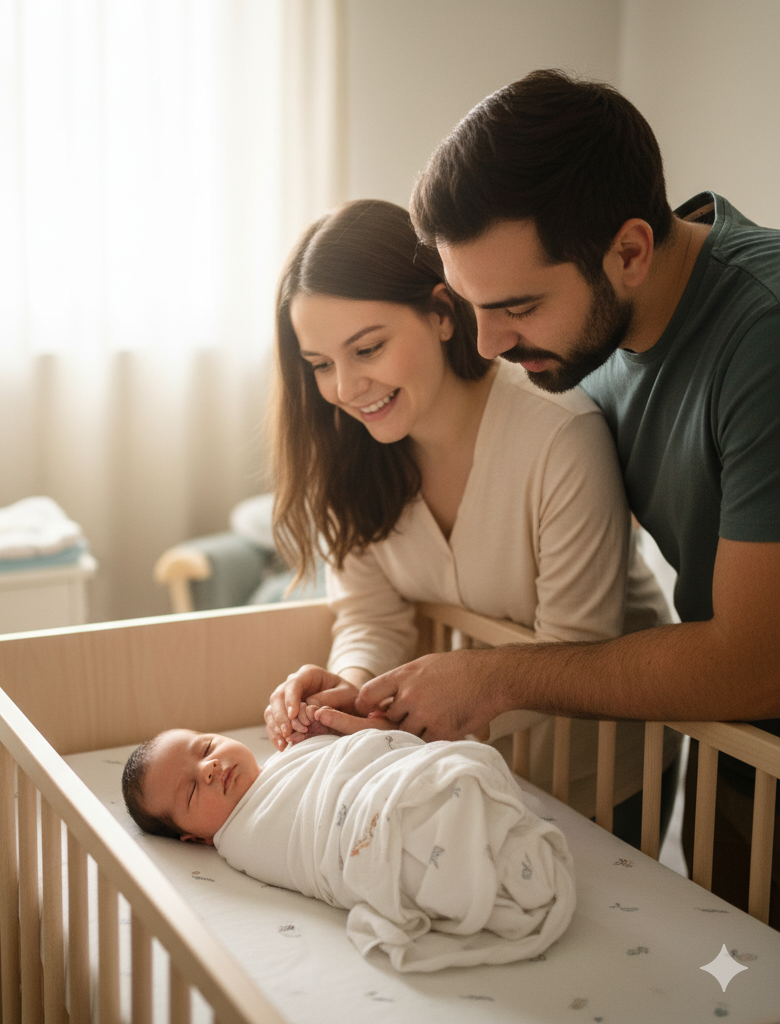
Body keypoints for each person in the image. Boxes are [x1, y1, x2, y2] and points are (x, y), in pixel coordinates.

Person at [352, 68, 780, 921]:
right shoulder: (594, 326)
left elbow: (754, 662)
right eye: (467, 305)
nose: (489, 341)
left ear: (629, 251)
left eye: (516, 306)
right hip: (736, 746)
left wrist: (492, 679)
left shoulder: (761, 337)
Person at [262, 197, 672, 835]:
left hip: (591, 768)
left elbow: (575, 652)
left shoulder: (560, 436)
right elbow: (372, 615)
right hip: (456, 776)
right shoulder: (351, 455)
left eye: (367, 349)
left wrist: (396, 715)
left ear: (442, 313)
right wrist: (349, 691)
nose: (344, 388)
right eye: (319, 366)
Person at [121, 724, 575, 971]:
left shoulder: (290, 757)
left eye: (204, 747)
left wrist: (327, 734)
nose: (210, 767)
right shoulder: (241, 842)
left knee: (447, 787)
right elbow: (316, 840)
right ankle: (479, 855)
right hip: (369, 826)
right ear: (195, 839)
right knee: (421, 829)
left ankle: (480, 831)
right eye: (190, 792)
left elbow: (361, 754)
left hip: (387, 780)